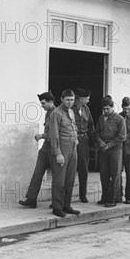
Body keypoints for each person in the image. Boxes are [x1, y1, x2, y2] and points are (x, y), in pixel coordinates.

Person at [19, 92, 56, 208]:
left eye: (44, 103)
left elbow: (56, 133)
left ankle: (57, 202)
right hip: (46, 147)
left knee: (57, 176)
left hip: (55, 147)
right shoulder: (48, 113)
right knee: (37, 172)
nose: (42, 105)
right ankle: (31, 199)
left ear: (51, 102)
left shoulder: (57, 114)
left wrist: (41, 136)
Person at [49, 89, 81, 217]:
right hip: (62, 148)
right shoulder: (56, 113)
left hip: (73, 147)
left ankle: (66, 205)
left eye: (72, 100)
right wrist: (58, 153)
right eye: (67, 99)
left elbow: (74, 127)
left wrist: (76, 139)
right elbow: (54, 135)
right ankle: (57, 207)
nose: (70, 102)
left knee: (70, 178)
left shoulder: (72, 112)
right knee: (59, 180)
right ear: (61, 99)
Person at [95, 97, 126, 207]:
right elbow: (97, 132)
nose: (106, 111)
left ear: (113, 107)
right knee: (104, 174)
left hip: (115, 150)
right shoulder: (100, 118)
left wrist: (109, 145)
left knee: (115, 173)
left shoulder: (119, 119)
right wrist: (99, 141)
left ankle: (113, 199)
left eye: (108, 109)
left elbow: (122, 136)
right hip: (103, 149)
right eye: (104, 109)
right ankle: (105, 197)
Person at [72, 87, 96, 203]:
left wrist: (96, 141)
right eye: (87, 98)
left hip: (83, 141)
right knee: (69, 169)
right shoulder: (69, 109)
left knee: (83, 169)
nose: (88, 101)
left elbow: (91, 127)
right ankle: (65, 196)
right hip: (71, 141)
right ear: (80, 99)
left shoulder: (86, 109)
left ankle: (83, 194)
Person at [118, 96, 130, 204]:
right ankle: (118, 195)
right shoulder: (118, 117)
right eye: (125, 109)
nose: (127, 111)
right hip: (119, 148)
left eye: (129, 109)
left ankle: (129, 196)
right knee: (117, 172)